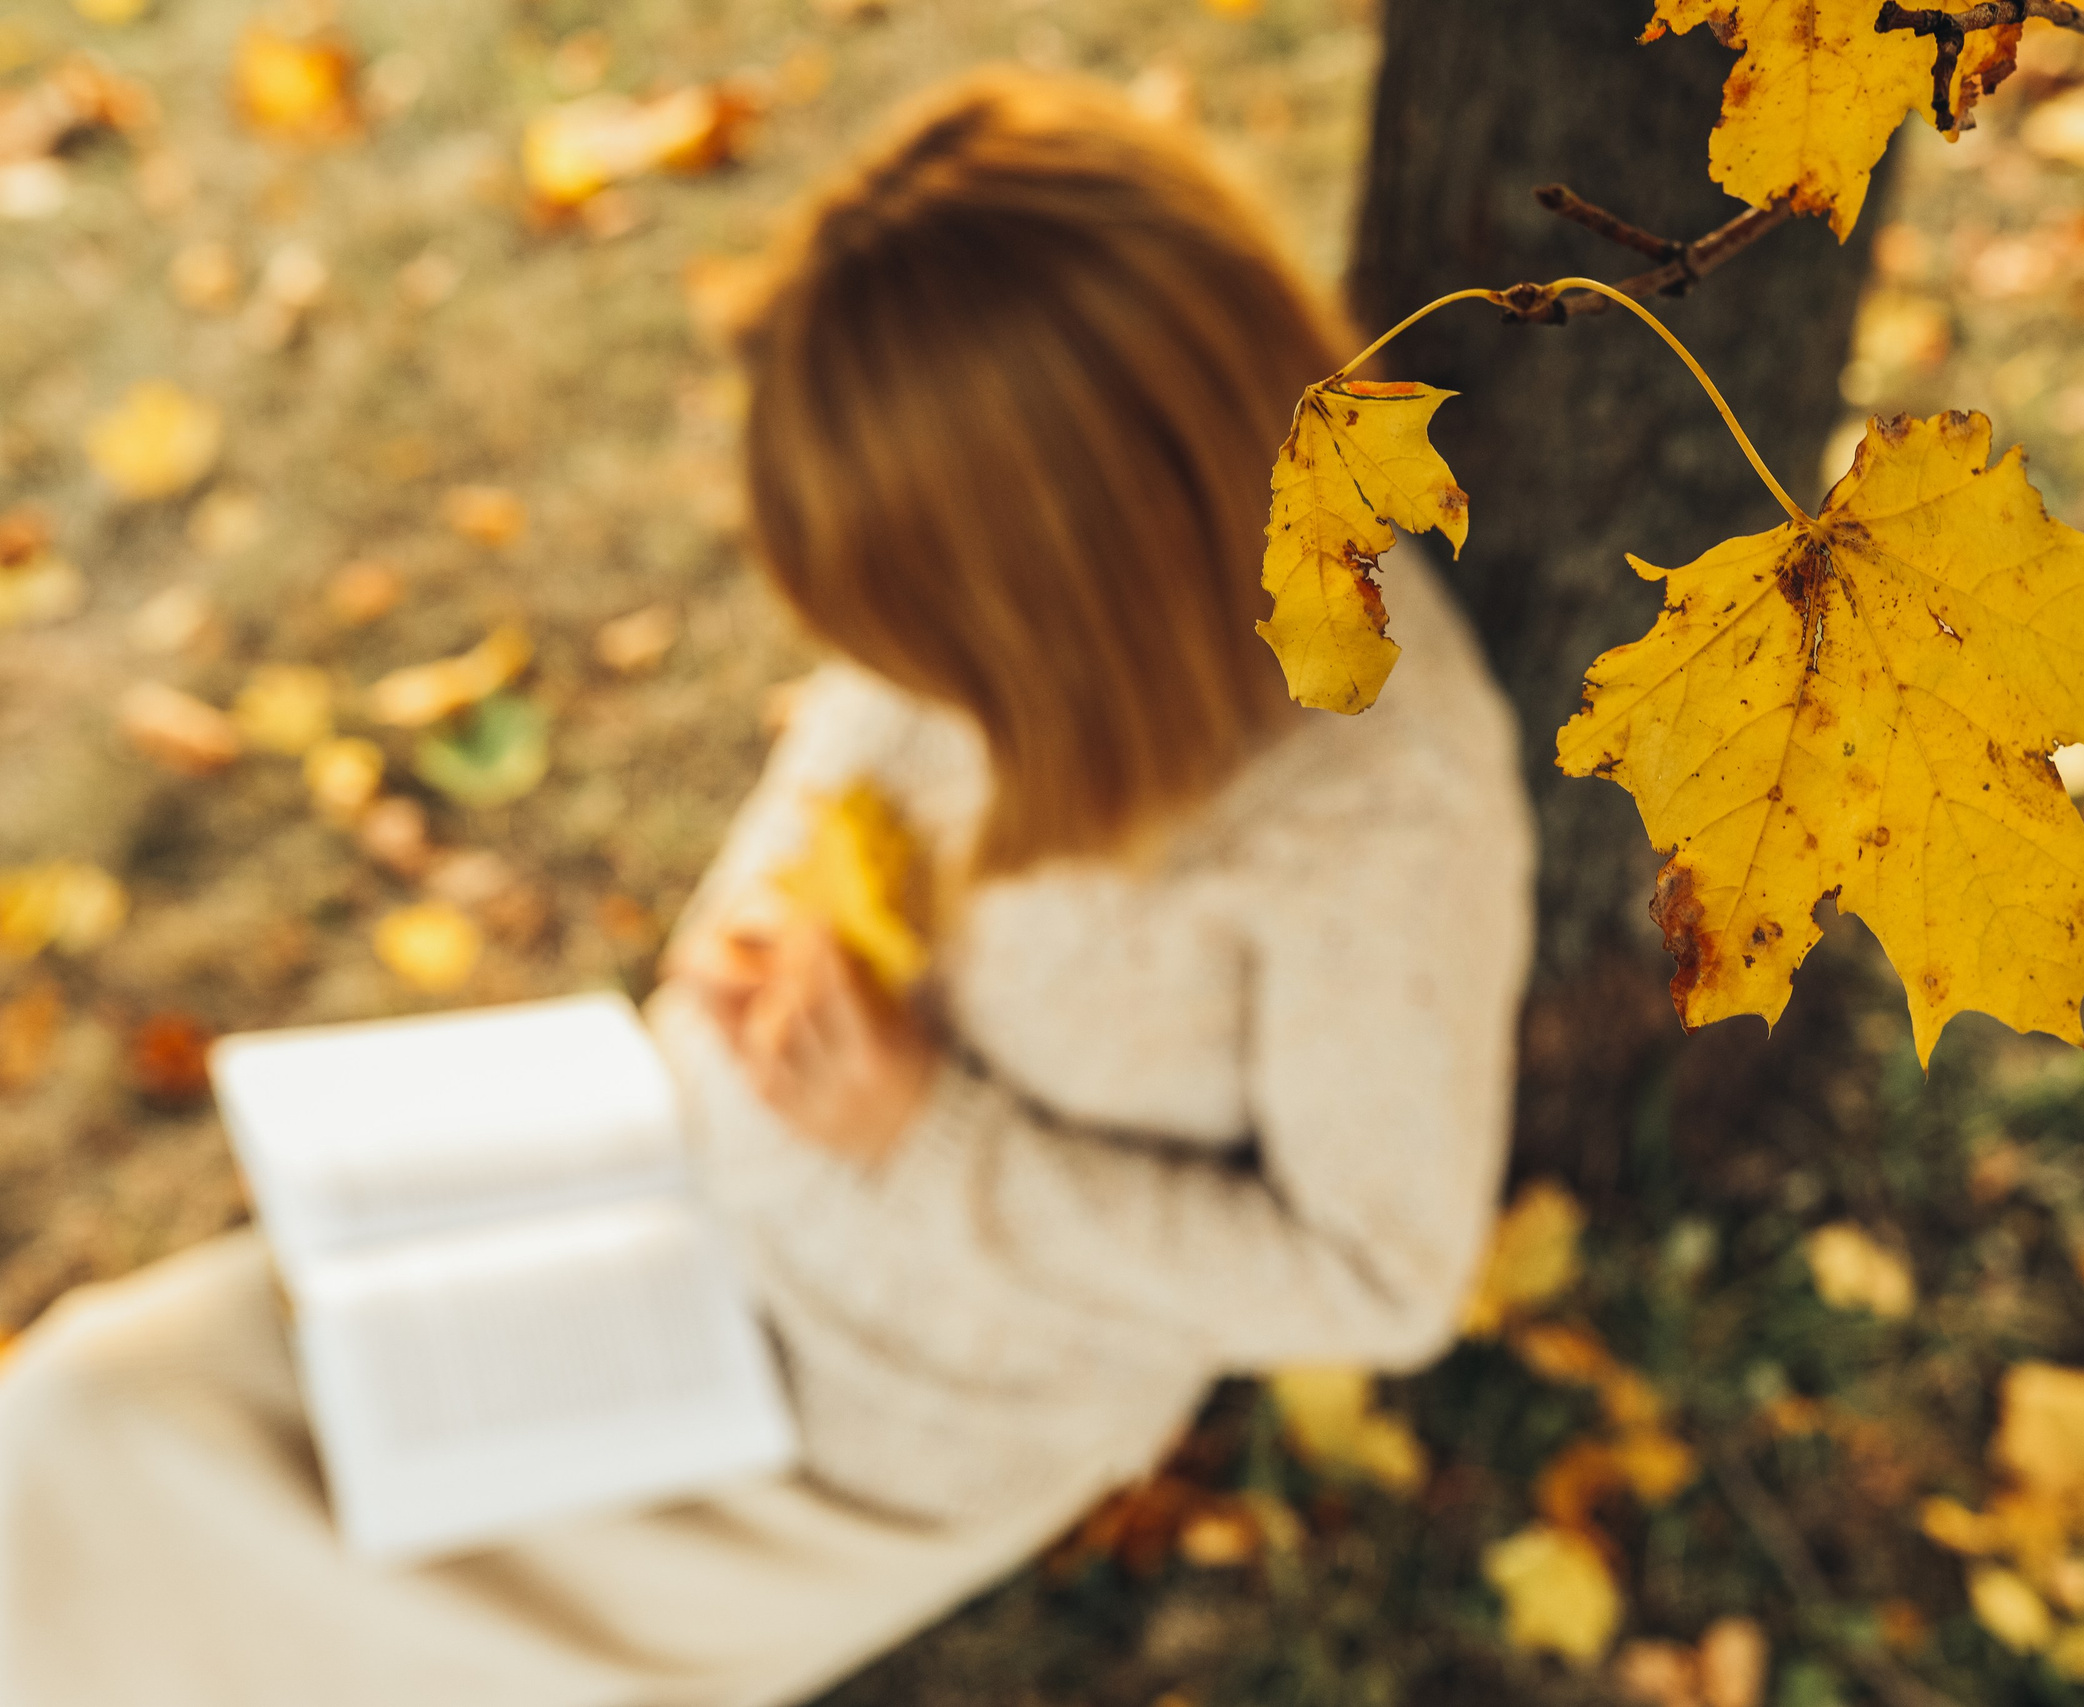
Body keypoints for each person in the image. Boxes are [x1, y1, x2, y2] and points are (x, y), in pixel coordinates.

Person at [0, 68, 1534, 1707]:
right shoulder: (1007, 602)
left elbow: (1383, 1278)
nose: (896, 677)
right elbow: (840, 772)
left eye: (922, 634)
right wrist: (749, 944)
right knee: (90, 1420)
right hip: (645, 1203)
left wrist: (923, 1136)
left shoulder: (1375, 815)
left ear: (1068, 571)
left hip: (864, 1415)